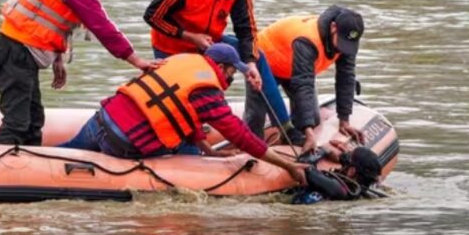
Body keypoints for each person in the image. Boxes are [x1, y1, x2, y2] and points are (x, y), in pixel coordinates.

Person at [0, 0, 157, 146]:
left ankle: (27, 171)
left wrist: (58, 56)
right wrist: (136, 60)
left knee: (33, 123)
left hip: (21, 50)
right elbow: (101, 25)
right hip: (16, 52)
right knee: (17, 123)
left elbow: (51, 16)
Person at [59, 43, 308, 185]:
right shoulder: (207, 89)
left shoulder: (181, 61)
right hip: (124, 143)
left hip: (101, 119)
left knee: (61, 152)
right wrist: (287, 165)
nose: (232, 78)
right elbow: (240, 134)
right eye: (233, 72)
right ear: (221, 67)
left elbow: (178, 110)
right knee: (188, 153)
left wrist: (209, 150)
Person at [142, 0, 293, 133]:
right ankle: (189, 130)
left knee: (257, 57)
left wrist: (250, 62)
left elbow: (246, 28)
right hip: (172, 46)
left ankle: (285, 127)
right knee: (183, 93)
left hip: (209, 42)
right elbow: (152, 16)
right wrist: (189, 36)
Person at [243, 5, 367, 152]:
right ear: (333, 27)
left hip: (292, 66)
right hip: (264, 61)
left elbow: (346, 77)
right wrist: (309, 134)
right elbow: (303, 84)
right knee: (256, 115)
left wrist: (344, 120)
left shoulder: (346, 42)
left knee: (313, 118)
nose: (343, 49)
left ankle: (289, 141)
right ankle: (250, 150)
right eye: (341, 43)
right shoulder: (308, 40)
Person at [291, 141, 383, 204]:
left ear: (351, 171)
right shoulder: (355, 191)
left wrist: (323, 150)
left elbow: (304, 165)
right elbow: (349, 165)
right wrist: (342, 156)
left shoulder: (337, 188)